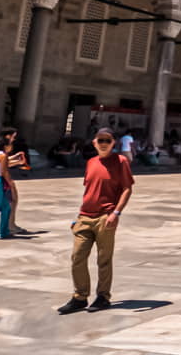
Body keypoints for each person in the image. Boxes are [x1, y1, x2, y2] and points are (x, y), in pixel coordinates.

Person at [57, 129, 134, 313]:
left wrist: (116, 212)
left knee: (103, 259)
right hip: (85, 216)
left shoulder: (121, 162)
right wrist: (78, 218)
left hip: (105, 216)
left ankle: (103, 296)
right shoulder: (91, 162)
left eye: (107, 140)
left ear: (113, 142)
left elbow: (127, 189)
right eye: (101, 140)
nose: (104, 143)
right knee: (77, 257)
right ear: (94, 142)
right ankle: (80, 296)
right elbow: (90, 190)